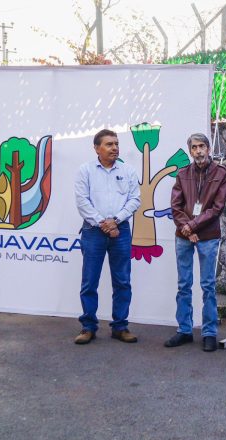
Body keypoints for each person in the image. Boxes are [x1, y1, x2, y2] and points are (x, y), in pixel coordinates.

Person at [74, 129, 141, 345]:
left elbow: (135, 200)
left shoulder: (128, 171)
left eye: (116, 144)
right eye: (109, 144)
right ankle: (88, 327)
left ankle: (120, 327)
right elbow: (82, 201)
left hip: (120, 231)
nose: (115, 148)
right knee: (89, 281)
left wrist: (116, 220)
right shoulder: (85, 171)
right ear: (97, 148)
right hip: (93, 231)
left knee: (122, 281)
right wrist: (103, 223)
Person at [164, 133, 226, 352]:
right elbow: (176, 206)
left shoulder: (221, 172)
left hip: (208, 235)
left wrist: (192, 226)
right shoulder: (182, 173)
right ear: (190, 151)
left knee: (208, 285)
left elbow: (217, 208)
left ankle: (209, 332)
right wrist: (187, 227)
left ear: (208, 148)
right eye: (194, 147)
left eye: (202, 146)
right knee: (183, 284)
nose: (198, 151)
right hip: (184, 235)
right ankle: (184, 330)